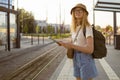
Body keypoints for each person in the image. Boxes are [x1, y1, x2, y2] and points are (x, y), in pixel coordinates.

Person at [58, 3, 98, 80]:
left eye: (80, 10)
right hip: (76, 57)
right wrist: (63, 42)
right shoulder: (74, 28)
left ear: (84, 13)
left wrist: (71, 46)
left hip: (86, 59)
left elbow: (90, 49)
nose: (77, 12)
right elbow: (75, 41)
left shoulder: (87, 27)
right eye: (75, 10)